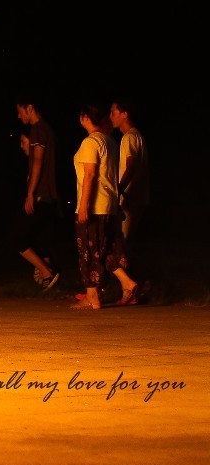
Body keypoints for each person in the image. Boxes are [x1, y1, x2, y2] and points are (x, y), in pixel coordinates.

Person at [70, 104, 139, 310]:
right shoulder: (109, 141)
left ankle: (92, 297)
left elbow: (90, 174)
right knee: (107, 248)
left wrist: (84, 206)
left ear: (85, 117)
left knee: (89, 251)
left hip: (95, 205)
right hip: (109, 204)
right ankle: (127, 282)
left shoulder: (90, 142)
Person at [13, 98, 62, 290]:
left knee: (16, 236)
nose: (19, 116)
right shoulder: (47, 130)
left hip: (42, 195)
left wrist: (30, 193)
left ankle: (47, 272)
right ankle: (48, 271)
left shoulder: (38, 130)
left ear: (30, 108)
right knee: (40, 237)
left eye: (20, 111)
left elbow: (38, 163)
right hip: (50, 196)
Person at [110, 98, 150, 304]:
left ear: (124, 114)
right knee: (124, 243)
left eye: (114, 112)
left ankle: (137, 282)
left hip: (130, 199)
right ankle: (134, 285)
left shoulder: (130, 137)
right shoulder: (135, 136)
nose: (111, 117)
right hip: (137, 196)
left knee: (121, 245)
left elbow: (131, 165)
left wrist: (118, 189)